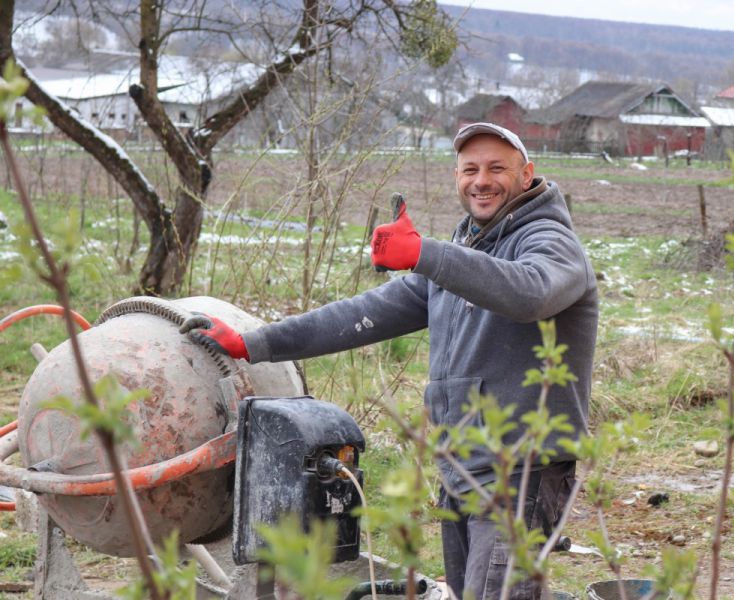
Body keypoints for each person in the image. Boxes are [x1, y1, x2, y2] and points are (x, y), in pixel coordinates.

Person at [182, 122, 598, 599]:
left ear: (526, 175)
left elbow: (530, 292)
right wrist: (252, 343)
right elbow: (364, 314)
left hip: (521, 471)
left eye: (496, 168)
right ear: (457, 177)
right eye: (470, 170)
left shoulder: (550, 240)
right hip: (463, 467)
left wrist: (424, 252)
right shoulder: (467, 248)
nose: (481, 181)